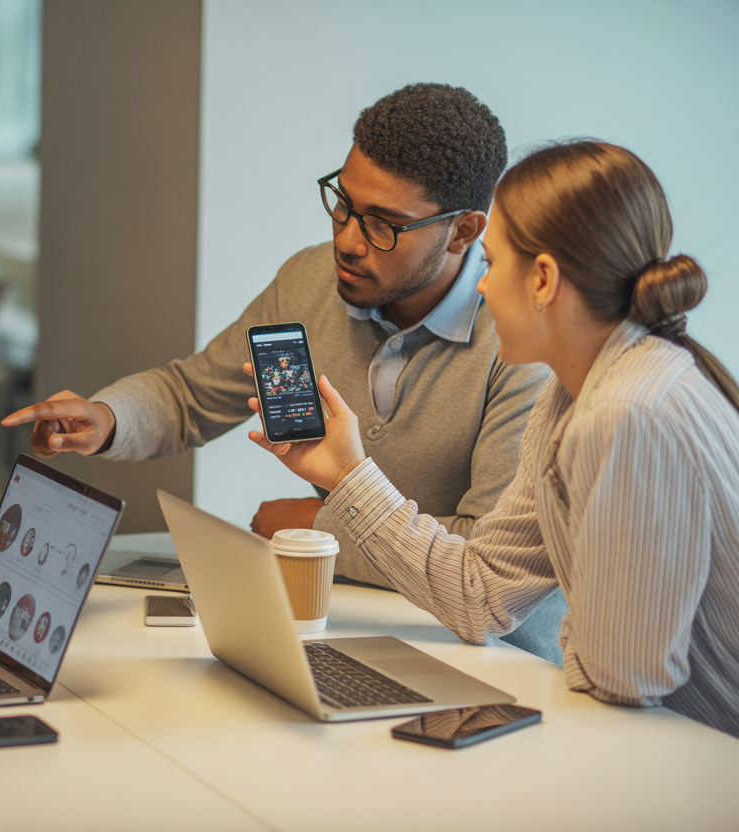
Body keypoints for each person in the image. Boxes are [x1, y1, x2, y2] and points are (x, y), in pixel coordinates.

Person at [3, 83, 560, 656]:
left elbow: (485, 560)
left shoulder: (521, 341)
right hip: (351, 629)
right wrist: (106, 418)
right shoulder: (311, 283)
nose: (346, 240)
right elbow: (192, 395)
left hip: (497, 658)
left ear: (464, 231)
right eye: (344, 204)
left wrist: (322, 524)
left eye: (383, 225)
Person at [250, 141, 739, 738]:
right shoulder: (573, 395)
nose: (479, 287)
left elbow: (623, 683)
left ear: (543, 280)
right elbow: (481, 594)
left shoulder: (624, 414)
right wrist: (349, 475)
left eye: (493, 261)